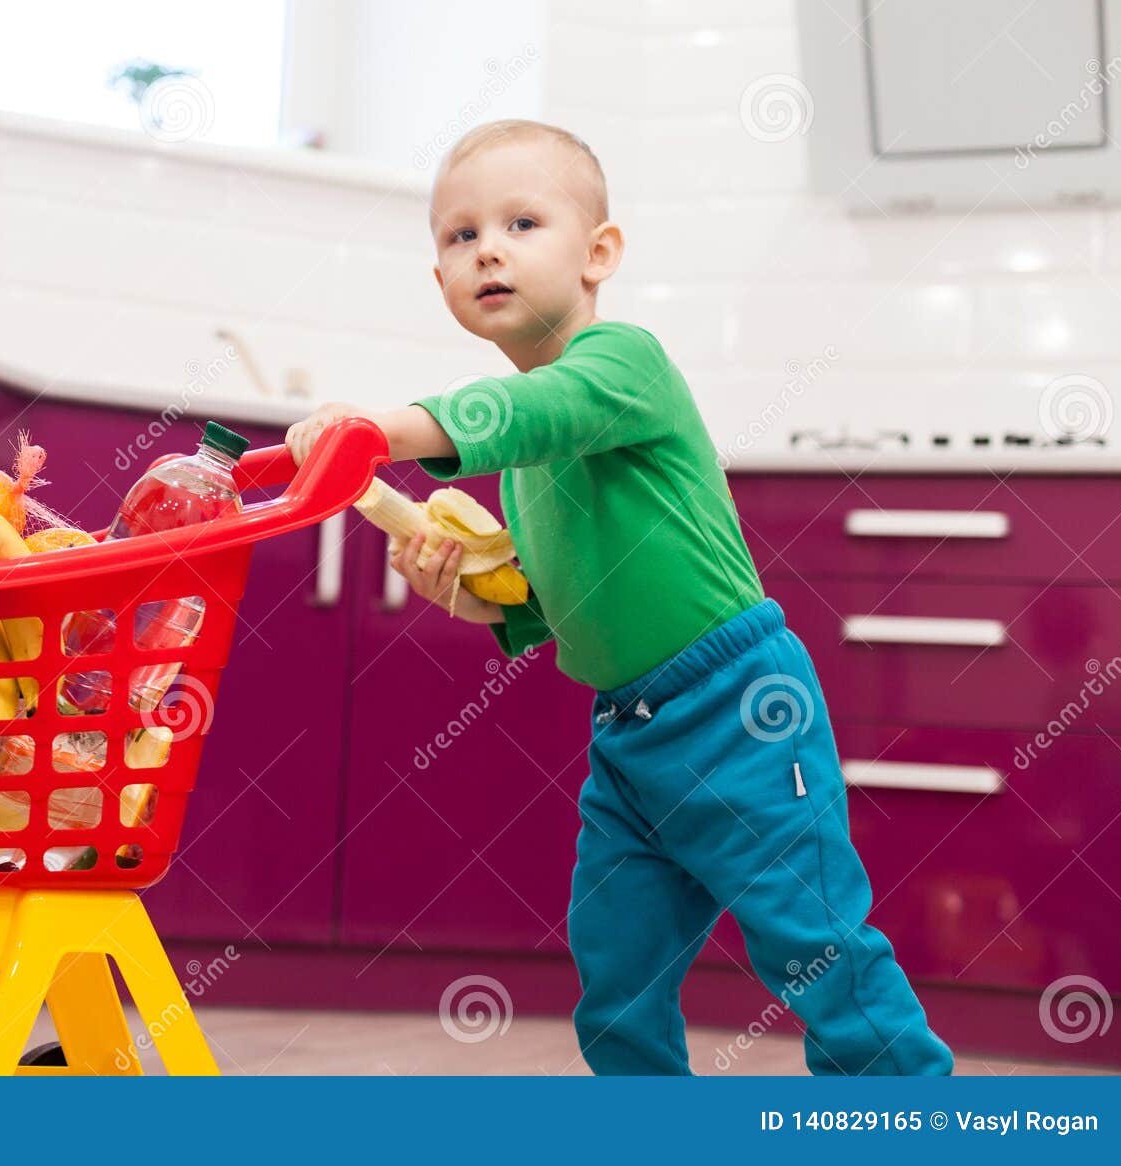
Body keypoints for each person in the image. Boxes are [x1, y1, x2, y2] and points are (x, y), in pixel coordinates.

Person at [285, 119, 953, 1076]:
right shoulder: (521, 469)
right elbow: (548, 604)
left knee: (815, 946)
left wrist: (376, 431)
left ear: (599, 253)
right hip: (631, 735)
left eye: (521, 221)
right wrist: (470, 598)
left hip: (738, 706)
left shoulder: (621, 364)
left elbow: (524, 410)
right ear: (442, 284)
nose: (489, 250)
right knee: (617, 970)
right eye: (460, 236)